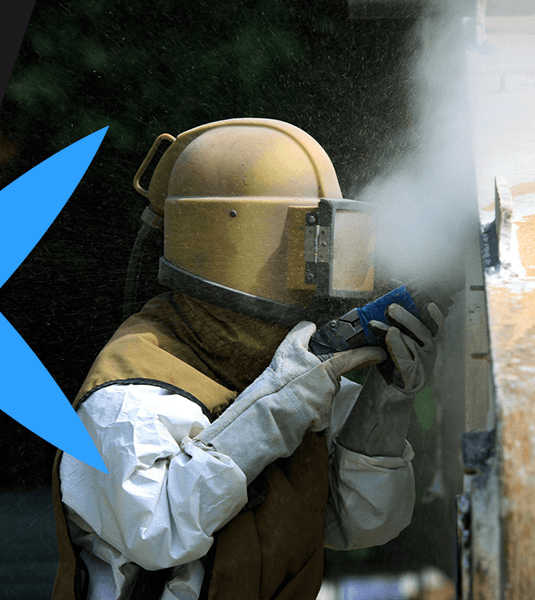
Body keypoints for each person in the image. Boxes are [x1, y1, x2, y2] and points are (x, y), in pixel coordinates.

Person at [50, 118, 444, 600]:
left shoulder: (286, 374)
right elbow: (158, 532)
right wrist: (281, 404)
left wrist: (387, 401)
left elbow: (358, 523)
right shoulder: (129, 397)